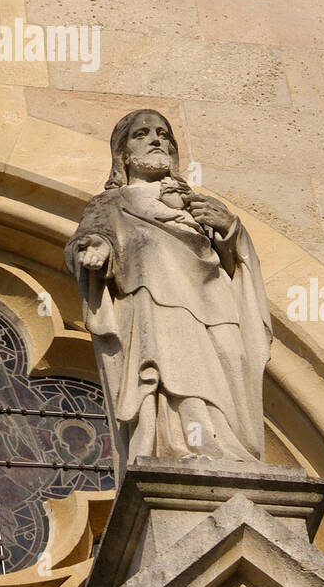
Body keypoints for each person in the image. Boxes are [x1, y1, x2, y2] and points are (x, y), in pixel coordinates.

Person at [64, 109, 272, 476]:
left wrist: (230, 230)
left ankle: (224, 444)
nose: (156, 139)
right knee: (173, 373)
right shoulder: (111, 203)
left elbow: (234, 263)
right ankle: (177, 446)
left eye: (163, 133)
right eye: (141, 134)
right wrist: (96, 250)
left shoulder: (197, 204)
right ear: (124, 155)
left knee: (223, 372)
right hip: (155, 306)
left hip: (214, 308)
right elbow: (89, 240)